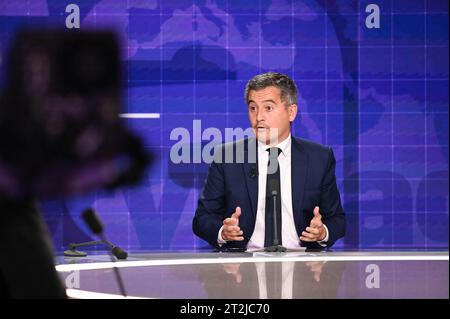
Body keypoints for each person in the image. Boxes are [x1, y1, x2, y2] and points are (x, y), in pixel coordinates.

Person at [192, 72, 345, 250]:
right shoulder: (227, 157)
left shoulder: (319, 157)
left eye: (268, 108)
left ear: (291, 112)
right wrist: (223, 232)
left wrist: (322, 232)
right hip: (244, 266)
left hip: (304, 264)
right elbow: (202, 219)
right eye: (253, 108)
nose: (258, 118)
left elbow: (337, 220)